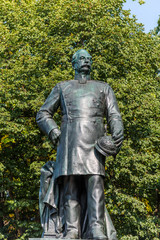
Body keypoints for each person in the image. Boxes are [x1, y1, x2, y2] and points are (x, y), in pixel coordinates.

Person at [36, 49, 124, 239]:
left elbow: (114, 115)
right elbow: (43, 113)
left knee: (96, 185)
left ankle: (97, 228)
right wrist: (53, 130)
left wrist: (117, 134)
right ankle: (72, 230)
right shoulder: (62, 87)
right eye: (82, 58)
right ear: (73, 63)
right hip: (70, 142)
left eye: (89, 59)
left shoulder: (103, 87)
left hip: (95, 144)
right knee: (71, 187)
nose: (86, 61)